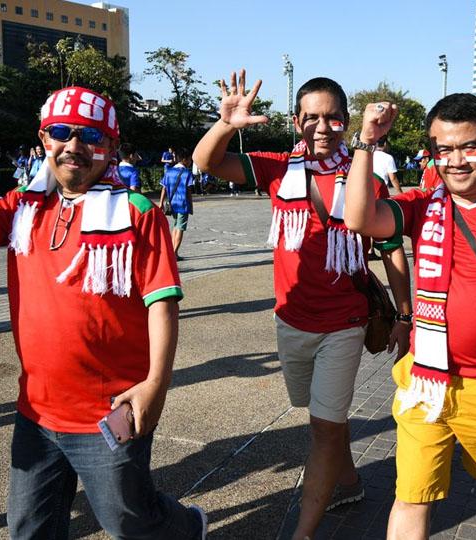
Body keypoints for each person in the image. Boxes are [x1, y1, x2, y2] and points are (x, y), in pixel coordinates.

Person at [0, 86, 206, 539]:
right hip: (36, 410)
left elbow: (162, 304)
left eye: (91, 135)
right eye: (60, 133)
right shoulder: (21, 206)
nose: (74, 146)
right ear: (43, 140)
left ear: (110, 146)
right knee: (29, 529)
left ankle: (187, 527)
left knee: (128, 522)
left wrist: (155, 385)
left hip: (109, 410)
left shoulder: (138, 212)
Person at [192, 70, 412, 540]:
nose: (322, 127)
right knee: (322, 418)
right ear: (296, 121)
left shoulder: (362, 177)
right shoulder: (277, 167)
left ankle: (303, 532)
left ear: (346, 121)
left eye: (333, 118)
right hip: (291, 320)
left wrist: (404, 315)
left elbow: (391, 245)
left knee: (323, 429)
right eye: (312, 117)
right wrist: (226, 124)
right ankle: (348, 481)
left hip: (345, 322)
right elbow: (206, 162)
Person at [343, 93, 476, 540]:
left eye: (469, 147)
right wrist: (365, 142)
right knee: (410, 495)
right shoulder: (422, 207)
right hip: (425, 380)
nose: (457, 160)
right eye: (443, 149)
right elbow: (358, 217)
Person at [159, 147, 195, 260]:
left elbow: (164, 188)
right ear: (184, 159)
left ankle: (172, 251)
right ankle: (174, 253)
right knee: (180, 227)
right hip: (183, 204)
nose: (190, 162)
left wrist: (161, 203)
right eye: (189, 160)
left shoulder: (169, 171)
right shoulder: (187, 173)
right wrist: (191, 205)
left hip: (172, 203)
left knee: (175, 226)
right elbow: (189, 192)